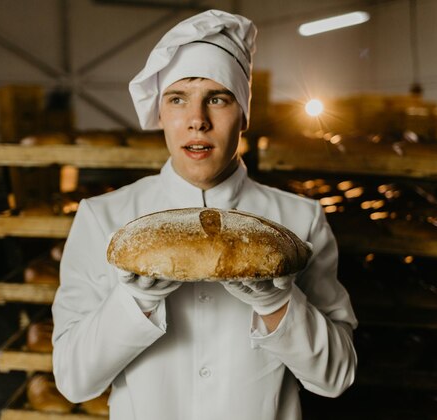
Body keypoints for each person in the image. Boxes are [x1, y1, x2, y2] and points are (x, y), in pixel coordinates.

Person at [52, 9, 357, 420]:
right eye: (177, 100)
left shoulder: (299, 220)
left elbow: (336, 377)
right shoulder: (104, 218)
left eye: (218, 98)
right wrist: (134, 301)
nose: (197, 121)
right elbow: (73, 380)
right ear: (160, 114)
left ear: (244, 114)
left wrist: (278, 303)